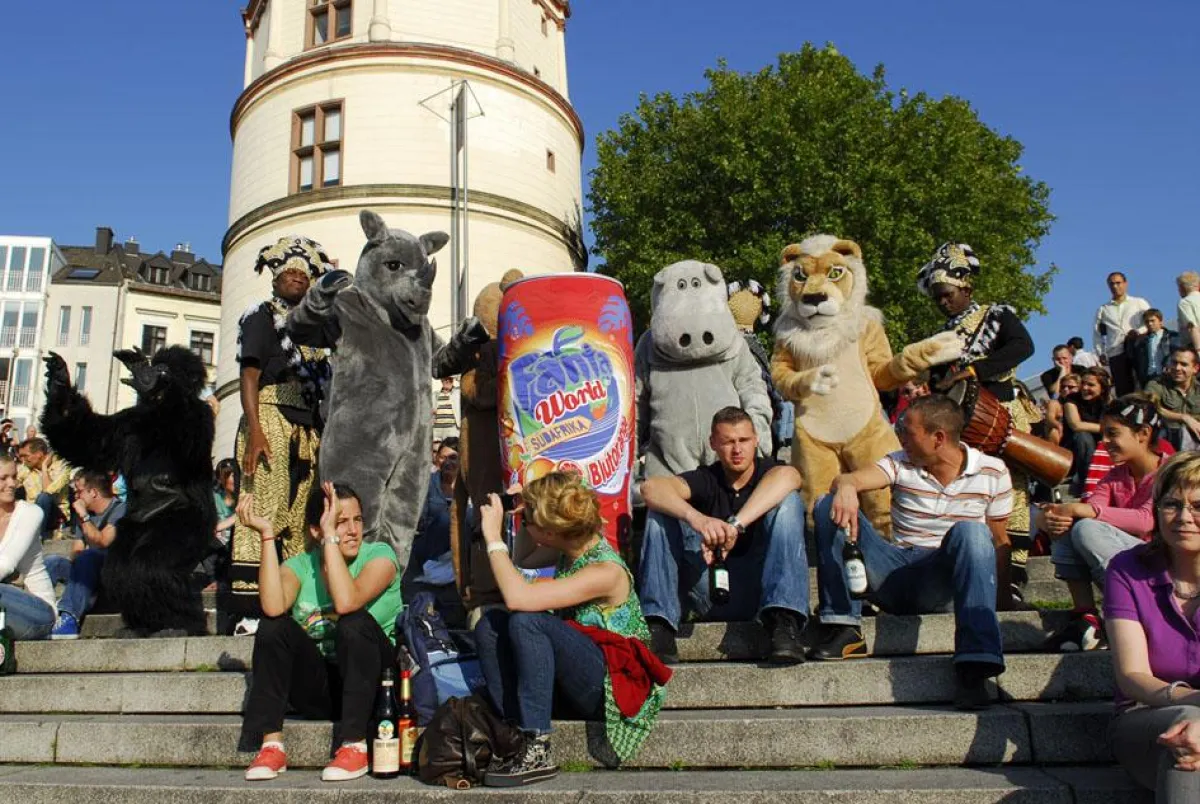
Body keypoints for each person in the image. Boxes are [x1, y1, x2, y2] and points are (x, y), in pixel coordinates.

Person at [808, 395, 1013, 710]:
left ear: (938, 438)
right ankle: (843, 628)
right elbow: (854, 478)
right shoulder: (900, 461)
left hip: (942, 579)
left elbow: (999, 541)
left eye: (907, 429)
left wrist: (1001, 608)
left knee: (972, 531)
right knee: (827, 505)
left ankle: (975, 664)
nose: (900, 435)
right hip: (894, 570)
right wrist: (847, 486)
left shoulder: (993, 471)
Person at [474, 472, 670, 786]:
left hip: (610, 687)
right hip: (579, 674)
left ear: (551, 533)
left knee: (528, 620)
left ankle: (537, 745)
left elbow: (518, 597)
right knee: (490, 625)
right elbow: (524, 557)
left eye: (532, 522)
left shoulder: (605, 571)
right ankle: (513, 733)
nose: (527, 525)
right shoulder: (573, 547)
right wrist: (524, 514)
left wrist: (493, 538)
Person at [237, 481, 403, 782]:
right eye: (341, 522)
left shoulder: (380, 556)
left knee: (353, 621)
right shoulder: (301, 565)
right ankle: (272, 745)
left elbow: (347, 601)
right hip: (322, 687)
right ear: (316, 530)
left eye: (357, 520)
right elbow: (273, 607)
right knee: (274, 627)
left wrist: (331, 540)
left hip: (374, 682)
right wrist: (266, 535)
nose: (353, 530)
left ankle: (354, 744)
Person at [637, 406, 809, 665]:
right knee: (660, 514)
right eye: (728, 442)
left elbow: (792, 476)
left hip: (760, 589)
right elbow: (651, 489)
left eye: (743, 440)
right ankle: (659, 625)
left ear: (756, 440)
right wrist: (698, 519)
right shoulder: (708, 478)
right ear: (713, 444)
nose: (737, 449)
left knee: (789, 503)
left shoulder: (769, 470)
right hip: (709, 588)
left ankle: (784, 622)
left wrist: (736, 525)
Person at [916, 242, 1037, 596]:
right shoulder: (941, 336)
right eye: (937, 296)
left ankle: (1013, 574)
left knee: (1010, 489)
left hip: (1000, 410)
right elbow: (938, 381)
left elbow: (1022, 347)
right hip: (961, 423)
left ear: (966, 287)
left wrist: (973, 370)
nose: (943, 301)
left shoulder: (997, 315)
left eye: (948, 294)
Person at [230, 236, 333, 624]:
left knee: (299, 513)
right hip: (271, 417)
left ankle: (290, 595)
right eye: (288, 273)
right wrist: (255, 429)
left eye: (303, 275)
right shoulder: (260, 316)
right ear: (274, 278)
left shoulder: (316, 328)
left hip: (308, 426)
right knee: (263, 507)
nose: (296, 279)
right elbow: (250, 374)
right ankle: (250, 609)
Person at [1104, 451, 1200, 802]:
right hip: (1146, 718)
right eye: (1172, 505)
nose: (1184, 518)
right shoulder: (1128, 569)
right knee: (1186, 733)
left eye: (1198, 506)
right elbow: (1132, 677)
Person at [1040, 397, 1166, 652]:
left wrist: (1082, 509)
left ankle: (1134, 607)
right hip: (1134, 560)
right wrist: (1059, 516)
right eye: (1103, 433)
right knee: (1070, 523)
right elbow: (1089, 509)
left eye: (1113, 433)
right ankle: (1085, 616)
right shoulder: (1115, 475)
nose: (1104, 441)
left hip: (1165, 567)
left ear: (1143, 433)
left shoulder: (1169, 471)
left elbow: (1146, 521)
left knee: (1085, 525)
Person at [45, 469, 126, 639]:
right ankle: (40, 613)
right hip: (89, 575)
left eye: (79, 491)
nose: (76, 496)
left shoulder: (121, 510)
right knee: (53, 561)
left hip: (112, 580)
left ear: (93, 492)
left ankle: (69, 617)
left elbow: (103, 541)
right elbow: (77, 549)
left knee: (90, 556)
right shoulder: (84, 517)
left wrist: (84, 517)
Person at [402, 438, 465, 626]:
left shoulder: (468, 484)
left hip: (459, 544)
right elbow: (418, 520)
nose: (448, 462)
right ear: (436, 459)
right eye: (443, 457)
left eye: (453, 458)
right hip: (431, 543)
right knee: (447, 519)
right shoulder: (427, 484)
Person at [0, 454, 52, 639]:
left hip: (38, 613)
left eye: (14, 476)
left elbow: (5, 564)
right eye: (3, 478)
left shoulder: (30, 513)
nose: (12, 484)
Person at [1094, 271, 1150, 397]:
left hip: (1138, 348)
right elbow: (1097, 333)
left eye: (1118, 283)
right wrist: (1101, 352)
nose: (1115, 286)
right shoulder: (1104, 309)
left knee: (1144, 383)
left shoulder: (1139, 302)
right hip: (1116, 352)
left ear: (1125, 284)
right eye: (1111, 284)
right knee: (1123, 389)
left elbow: (1152, 321)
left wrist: (1138, 332)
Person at [1063, 368, 1113, 497]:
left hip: (1100, 444)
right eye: (1083, 383)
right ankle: (1086, 481)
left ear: (1102, 388)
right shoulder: (1071, 400)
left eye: (1090, 385)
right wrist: (1104, 428)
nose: (1085, 388)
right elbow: (1076, 425)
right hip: (1075, 448)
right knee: (1083, 436)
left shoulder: (1108, 402)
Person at [16, 438, 70, 540]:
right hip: (32, 514)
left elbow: (48, 490)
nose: (22, 460)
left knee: (44, 497)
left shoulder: (62, 466)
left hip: (55, 515)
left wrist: (44, 467)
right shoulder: (26, 467)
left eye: (25, 456)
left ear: (39, 454)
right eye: (21, 456)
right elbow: (12, 483)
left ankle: (35, 538)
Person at [1147, 349, 1200, 452]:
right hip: (1166, 442)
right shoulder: (1157, 384)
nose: (1177, 368)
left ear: (1195, 368)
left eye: (1183, 364)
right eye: (1174, 363)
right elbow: (1149, 405)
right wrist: (1184, 418)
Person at [1133, 309, 1176, 390]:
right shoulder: (1141, 342)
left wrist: (1170, 366)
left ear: (1161, 321)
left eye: (1153, 320)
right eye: (1147, 322)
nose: (1150, 324)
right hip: (1148, 377)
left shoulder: (1172, 337)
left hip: (1166, 375)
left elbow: (1177, 355)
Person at [1045, 373, 1082, 446]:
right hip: (1062, 435)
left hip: (1079, 434)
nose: (1065, 389)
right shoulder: (1055, 403)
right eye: (1063, 387)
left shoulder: (1082, 402)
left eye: (1071, 387)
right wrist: (1058, 425)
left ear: (1079, 388)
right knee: (1053, 431)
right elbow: (1049, 419)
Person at [431, 376, 460, 445]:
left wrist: (453, 377)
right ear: (441, 381)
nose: (447, 381)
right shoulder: (435, 394)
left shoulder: (457, 392)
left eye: (449, 379)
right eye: (445, 379)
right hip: (437, 430)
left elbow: (462, 380)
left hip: (452, 429)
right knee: (436, 452)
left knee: (451, 450)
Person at [1176, 271, 1200, 352]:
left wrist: (1198, 350)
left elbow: (1192, 327)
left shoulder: (1185, 302)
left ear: (1182, 287)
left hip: (1193, 345)